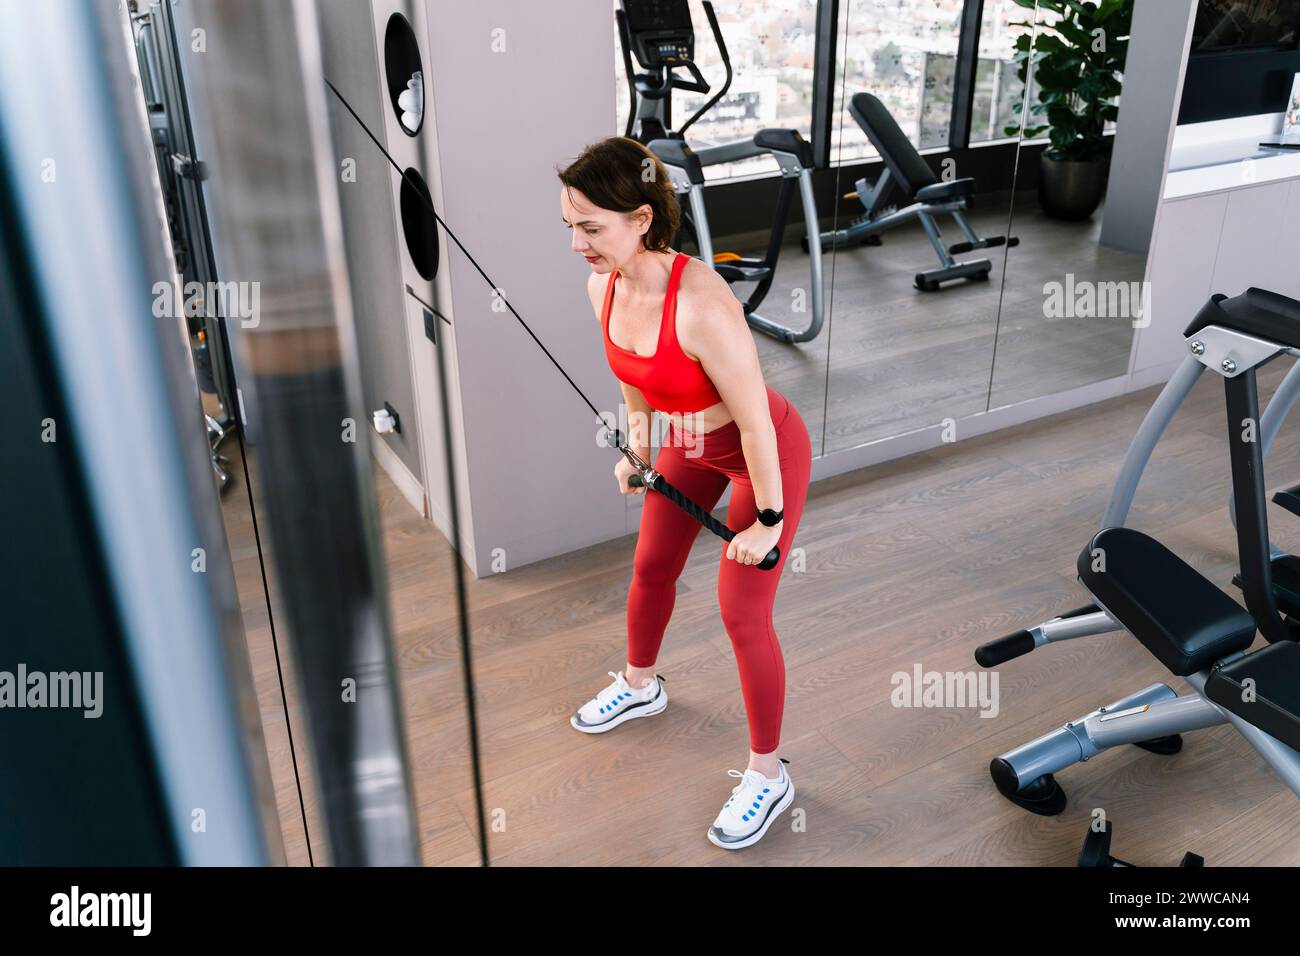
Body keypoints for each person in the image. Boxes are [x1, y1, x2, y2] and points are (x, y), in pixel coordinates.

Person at [557, 137, 812, 850]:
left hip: (762, 452)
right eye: (569, 227)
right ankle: (641, 687)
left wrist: (768, 516)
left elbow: (758, 420)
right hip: (690, 446)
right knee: (650, 566)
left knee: (742, 610)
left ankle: (768, 773)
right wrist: (638, 447)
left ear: (641, 218)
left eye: (590, 228)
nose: (577, 244)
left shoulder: (702, 303)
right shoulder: (601, 285)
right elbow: (632, 376)